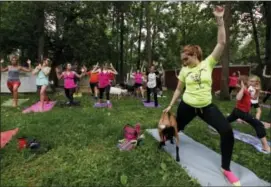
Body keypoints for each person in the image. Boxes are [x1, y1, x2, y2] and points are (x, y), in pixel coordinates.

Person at [163, 6, 241, 186]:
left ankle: (226, 169)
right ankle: (164, 137)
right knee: (176, 128)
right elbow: (178, 89)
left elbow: (221, 43)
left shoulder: (208, 63)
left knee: (226, 131)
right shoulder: (184, 70)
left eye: (186, 58)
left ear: (195, 55)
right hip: (187, 105)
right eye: (182, 59)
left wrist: (219, 20)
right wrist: (170, 105)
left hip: (206, 107)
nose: (183, 62)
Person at [227, 75, 270, 153]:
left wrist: (257, 91)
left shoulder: (248, 90)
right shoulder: (243, 90)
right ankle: (265, 147)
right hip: (241, 112)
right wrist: (243, 88)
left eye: (254, 81)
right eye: (251, 81)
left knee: (228, 120)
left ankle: (218, 125)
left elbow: (253, 98)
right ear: (245, 82)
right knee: (258, 124)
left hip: (237, 111)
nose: (253, 83)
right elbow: (238, 98)